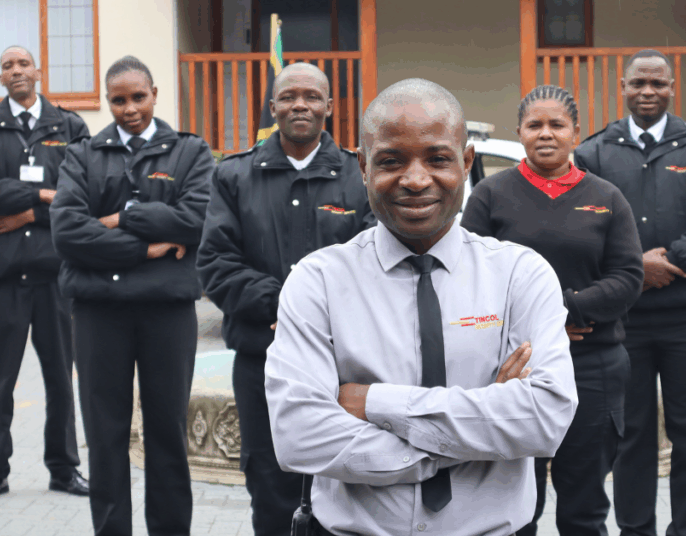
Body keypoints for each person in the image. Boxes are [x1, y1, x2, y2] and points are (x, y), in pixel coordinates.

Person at [264, 78, 578, 535]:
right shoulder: (318, 281)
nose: (415, 180)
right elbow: (298, 436)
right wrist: (481, 426)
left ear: (466, 162)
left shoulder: (519, 276)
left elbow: (544, 418)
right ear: (364, 166)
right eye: (391, 160)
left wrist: (372, 401)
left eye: (437, 159)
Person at [196, 62, 374, 536]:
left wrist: (315, 318)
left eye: (312, 96)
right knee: (270, 483)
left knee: (345, 482)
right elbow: (215, 262)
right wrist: (284, 308)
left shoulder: (359, 178)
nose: (301, 104)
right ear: (272, 106)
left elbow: (376, 264)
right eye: (290, 96)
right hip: (262, 360)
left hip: (344, 365)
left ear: (330, 107)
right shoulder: (234, 176)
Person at [574, 49, 686, 536]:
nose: (648, 92)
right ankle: (636, 530)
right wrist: (634, 268)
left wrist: (671, 262)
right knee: (632, 438)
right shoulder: (595, 153)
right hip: (624, 324)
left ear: (672, 88)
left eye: (658, 83)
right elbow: (583, 228)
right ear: (622, 88)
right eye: (638, 83)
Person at [462, 84, 643, 536]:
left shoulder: (607, 197)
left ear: (575, 133)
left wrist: (569, 313)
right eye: (534, 125)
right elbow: (468, 275)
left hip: (591, 368)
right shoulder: (489, 194)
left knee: (583, 509)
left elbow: (627, 277)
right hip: (512, 370)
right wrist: (540, 328)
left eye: (556, 125)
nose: (546, 134)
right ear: (519, 133)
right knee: (515, 508)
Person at [50, 56, 214, 536]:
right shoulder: (82, 154)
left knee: (167, 436)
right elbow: (67, 232)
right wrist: (149, 247)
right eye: (118, 100)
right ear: (108, 102)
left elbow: (197, 219)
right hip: (99, 316)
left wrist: (120, 219)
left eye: (138, 97)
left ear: (155, 94)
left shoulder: (190, 153)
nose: (129, 109)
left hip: (167, 315)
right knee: (104, 438)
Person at [0, 45, 89, 502]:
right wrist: (43, 196)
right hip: (2, 281)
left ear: (38, 71)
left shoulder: (70, 126)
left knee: (61, 378)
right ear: (1, 78)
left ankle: (64, 469)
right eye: (7, 66)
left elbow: (82, 197)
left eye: (23, 64)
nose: (16, 71)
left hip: (56, 279)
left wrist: (25, 214)